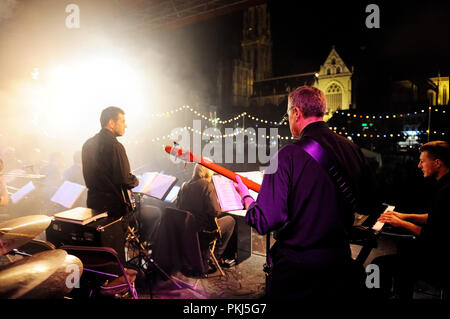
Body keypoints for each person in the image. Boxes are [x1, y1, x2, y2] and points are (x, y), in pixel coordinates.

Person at [234, 86, 377, 299]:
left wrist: (246, 197)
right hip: (339, 266)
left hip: (297, 272)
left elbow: (265, 220)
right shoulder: (352, 148)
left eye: (288, 114)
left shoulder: (287, 155)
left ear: (296, 113)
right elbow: (369, 203)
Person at [372, 140, 450, 299]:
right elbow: (436, 218)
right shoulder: (446, 185)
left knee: (376, 266)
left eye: (422, 161)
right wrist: (404, 216)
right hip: (440, 254)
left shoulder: (446, 192)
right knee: (404, 250)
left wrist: (401, 223)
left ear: (437, 163)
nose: (419, 166)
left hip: (440, 263)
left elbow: (434, 235)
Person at [82, 106, 138, 262]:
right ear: (111, 123)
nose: (125, 125)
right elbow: (124, 179)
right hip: (113, 208)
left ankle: (103, 278)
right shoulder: (116, 146)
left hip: (93, 201)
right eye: (123, 121)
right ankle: (120, 279)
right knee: (114, 247)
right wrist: (135, 180)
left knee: (99, 243)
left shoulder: (87, 144)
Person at [176, 163, 236, 273]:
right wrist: (222, 206)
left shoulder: (184, 185)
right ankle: (215, 257)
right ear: (208, 173)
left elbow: (178, 207)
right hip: (203, 232)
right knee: (230, 220)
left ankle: (208, 255)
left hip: (186, 231)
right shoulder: (206, 186)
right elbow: (215, 212)